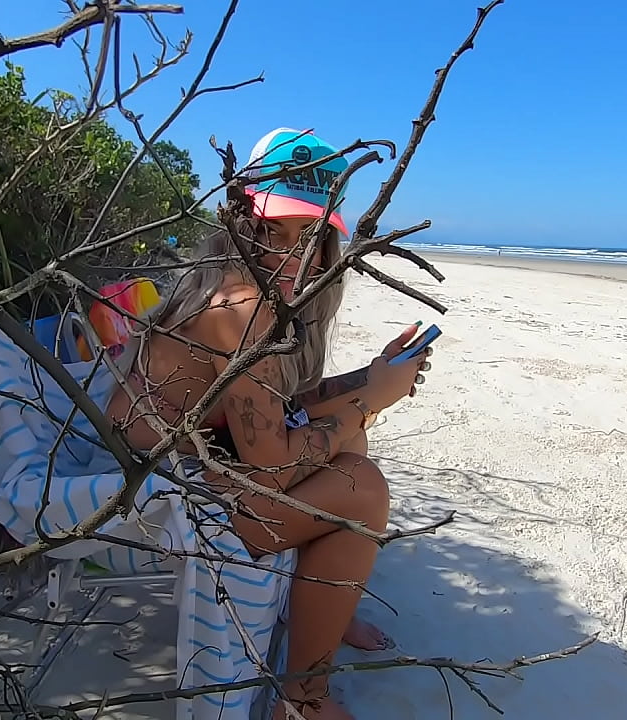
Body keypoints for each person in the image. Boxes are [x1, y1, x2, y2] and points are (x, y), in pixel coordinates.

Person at [104, 128, 432, 719]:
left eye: (309, 237)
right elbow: (274, 470)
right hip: (157, 493)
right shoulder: (242, 307)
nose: (291, 256)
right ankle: (302, 700)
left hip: (199, 451)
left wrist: (369, 379)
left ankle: (325, 600)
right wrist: (370, 400)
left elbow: (289, 399)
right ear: (239, 225)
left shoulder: (249, 295)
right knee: (364, 489)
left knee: (348, 437)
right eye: (271, 233)